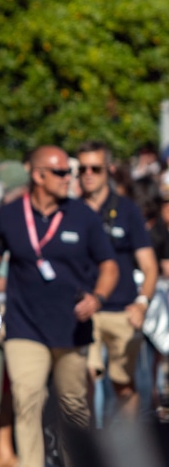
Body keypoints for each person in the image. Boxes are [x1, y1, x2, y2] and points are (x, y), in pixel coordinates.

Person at [0, 145, 118, 467]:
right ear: (38, 175)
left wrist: (97, 298)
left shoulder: (84, 216)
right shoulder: (9, 214)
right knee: (27, 401)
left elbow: (109, 266)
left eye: (69, 171)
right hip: (24, 327)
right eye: (61, 172)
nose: (69, 178)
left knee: (73, 407)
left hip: (72, 329)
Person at [77, 141, 158, 419]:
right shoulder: (71, 211)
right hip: (83, 311)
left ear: (108, 170)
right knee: (85, 379)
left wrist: (142, 304)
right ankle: (88, 452)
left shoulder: (127, 210)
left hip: (122, 310)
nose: (88, 173)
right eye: (82, 168)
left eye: (95, 168)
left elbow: (150, 267)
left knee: (122, 385)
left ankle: (126, 450)